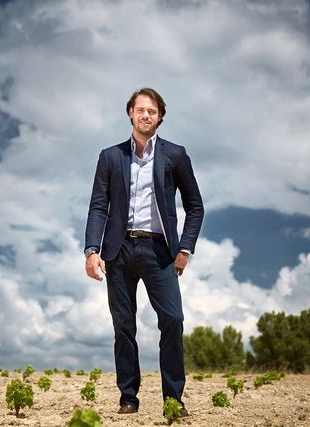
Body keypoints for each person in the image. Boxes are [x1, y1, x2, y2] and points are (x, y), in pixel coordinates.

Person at [84, 87, 204, 415]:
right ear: (130, 114)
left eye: (152, 111)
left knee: (173, 319)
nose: (145, 115)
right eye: (140, 110)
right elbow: (98, 206)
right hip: (118, 250)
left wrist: (185, 249)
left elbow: (195, 206)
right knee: (124, 325)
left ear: (160, 117)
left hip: (159, 250)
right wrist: (92, 250)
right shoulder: (110, 156)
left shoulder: (175, 155)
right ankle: (128, 396)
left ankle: (173, 399)